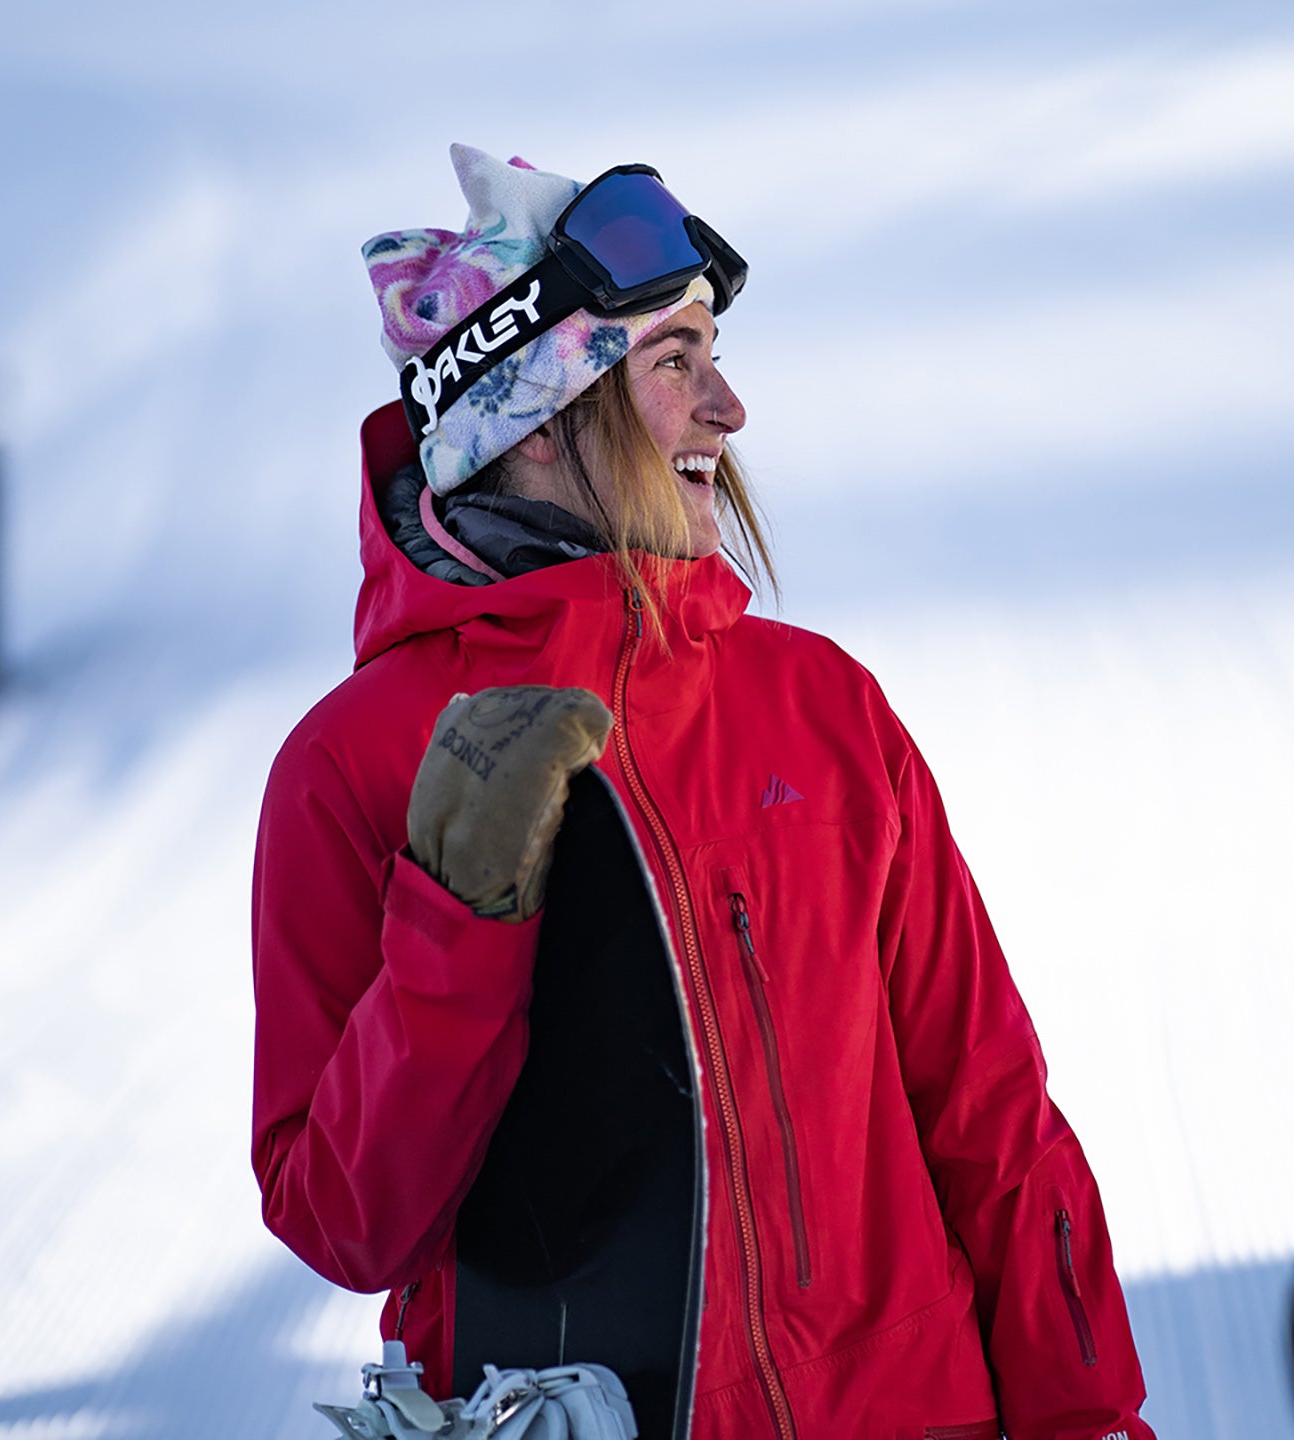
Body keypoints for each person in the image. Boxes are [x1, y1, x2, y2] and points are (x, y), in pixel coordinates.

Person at [251, 144, 1157, 1440]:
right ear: (542, 416)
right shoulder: (357, 763)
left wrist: (1091, 1419)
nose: (727, 409)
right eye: (674, 363)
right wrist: (458, 926)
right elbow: (345, 1218)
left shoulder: (822, 709)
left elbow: (991, 1117)